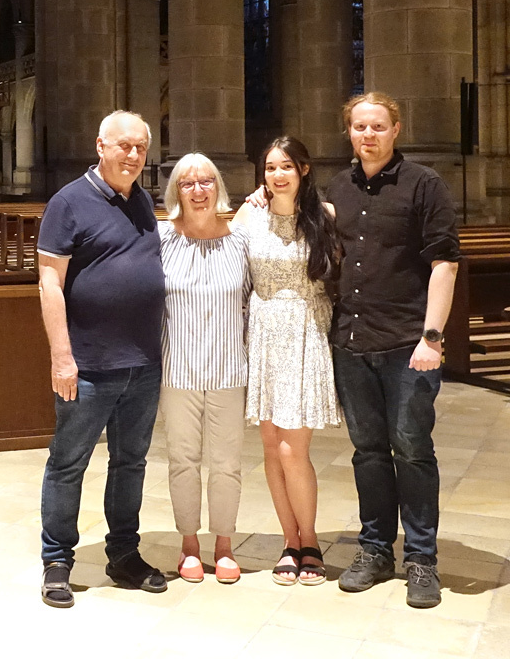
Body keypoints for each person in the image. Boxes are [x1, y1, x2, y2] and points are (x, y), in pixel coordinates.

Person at [327, 92, 459, 608]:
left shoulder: (423, 184)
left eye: (378, 126)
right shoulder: (338, 185)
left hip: (408, 345)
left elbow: (444, 264)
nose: (368, 135)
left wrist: (432, 336)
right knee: (368, 452)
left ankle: (421, 559)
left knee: (413, 451)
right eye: (360, 127)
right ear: (350, 133)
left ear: (396, 128)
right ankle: (376, 549)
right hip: (353, 342)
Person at [36, 110, 167, 608]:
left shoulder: (142, 203)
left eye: (140, 147)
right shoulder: (68, 202)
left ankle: (124, 554)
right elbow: (50, 282)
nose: (133, 155)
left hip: (142, 362)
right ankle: (57, 561)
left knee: (130, 463)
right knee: (68, 463)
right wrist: (61, 356)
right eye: (123, 146)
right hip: (88, 365)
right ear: (100, 146)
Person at [233, 136, 341, 587]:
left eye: (286, 168)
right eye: (270, 167)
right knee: (269, 450)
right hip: (261, 332)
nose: (277, 176)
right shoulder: (248, 214)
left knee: (292, 450)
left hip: (304, 331)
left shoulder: (325, 215)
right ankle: (289, 542)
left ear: (304, 170)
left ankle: (310, 541)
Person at [158, 153, 250, 584]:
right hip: (178, 369)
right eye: (188, 183)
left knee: (228, 462)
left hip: (230, 368)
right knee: (182, 460)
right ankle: (189, 544)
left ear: (218, 188)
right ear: (177, 190)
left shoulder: (241, 240)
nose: (198, 190)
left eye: (206, 182)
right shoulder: (160, 239)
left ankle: (225, 545)